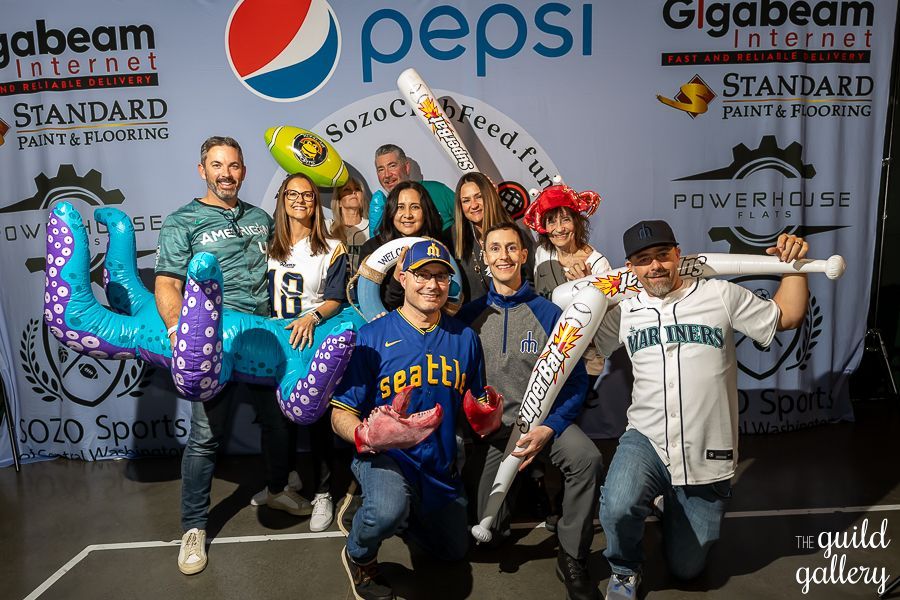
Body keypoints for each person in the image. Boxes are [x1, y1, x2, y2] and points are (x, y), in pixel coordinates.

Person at [591, 220, 810, 599]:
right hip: (647, 438)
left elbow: (787, 316)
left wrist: (795, 266)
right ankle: (625, 569)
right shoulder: (624, 312)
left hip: (706, 445)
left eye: (662, 255)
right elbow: (587, 350)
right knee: (617, 505)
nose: (655, 266)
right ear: (631, 267)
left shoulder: (720, 295)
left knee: (688, 568)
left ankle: (670, 504)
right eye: (643, 260)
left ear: (679, 254)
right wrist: (586, 295)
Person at [155, 136, 310, 576]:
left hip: (263, 340)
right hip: (215, 344)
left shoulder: (261, 218)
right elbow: (167, 280)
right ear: (202, 170)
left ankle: (277, 488)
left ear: (244, 171)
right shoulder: (183, 221)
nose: (227, 173)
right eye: (217, 165)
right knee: (206, 436)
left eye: (235, 165)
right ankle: (193, 528)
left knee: (278, 421)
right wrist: (176, 331)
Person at [331, 239, 502, 600]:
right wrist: (364, 434)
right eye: (422, 275)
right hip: (385, 458)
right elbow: (340, 413)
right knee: (387, 509)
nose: (432, 285)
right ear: (402, 278)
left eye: (441, 277)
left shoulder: (465, 339)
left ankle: (398, 512)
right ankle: (360, 555)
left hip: (438, 464)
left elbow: (474, 403)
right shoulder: (372, 337)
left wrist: (485, 413)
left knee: (454, 551)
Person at [457, 223, 602, 600]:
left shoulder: (550, 314)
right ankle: (518, 491)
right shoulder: (468, 318)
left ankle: (572, 555)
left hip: (540, 426)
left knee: (586, 457)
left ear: (524, 255)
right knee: (492, 535)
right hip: (495, 433)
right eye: (494, 249)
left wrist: (550, 428)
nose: (503, 256)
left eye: (511, 248)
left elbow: (575, 383)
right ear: (484, 258)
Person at [264, 172, 354, 532]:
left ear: (317, 203)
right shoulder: (269, 243)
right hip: (276, 337)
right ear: (282, 199)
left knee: (315, 418)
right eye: (292, 194)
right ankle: (283, 482)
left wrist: (312, 317)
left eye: (308, 195)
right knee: (277, 420)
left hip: (311, 334)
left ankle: (323, 493)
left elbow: (336, 297)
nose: (300, 201)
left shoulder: (330, 245)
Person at [357, 181, 449, 313]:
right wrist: (396, 279)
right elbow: (376, 304)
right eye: (400, 207)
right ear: (391, 211)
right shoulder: (372, 249)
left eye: (415, 207)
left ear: (426, 211)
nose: (408, 214)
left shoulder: (438, 246)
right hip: (387, 325)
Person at [451, 172, 534, 302]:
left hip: (515, 313)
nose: (473, 205)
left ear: (490, 196)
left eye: (479, 197)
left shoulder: (516, 235)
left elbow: (532, 283)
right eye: (466, 200)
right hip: (472, 319)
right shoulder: (453, 237)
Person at [524, 184, 611, 299]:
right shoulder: (542, 253)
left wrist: (589, 286)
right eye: (551, 222)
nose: (559, 229)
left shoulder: (598, 264)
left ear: (577, 222)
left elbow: (609, 306)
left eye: (565, 220)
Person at [369, 143, 455, 235]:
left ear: (406, 168)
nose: (387, 175)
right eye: (381, 169)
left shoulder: (437, 191)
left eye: (392, 166)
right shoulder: (381, 209)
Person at [328, 176, 370, 273]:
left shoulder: (372, 228)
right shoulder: (327, 227)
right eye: (347, 189)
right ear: (338, 202)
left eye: (357, 189)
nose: (353, 192)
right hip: (334, 286)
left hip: (362, 285)